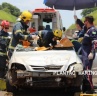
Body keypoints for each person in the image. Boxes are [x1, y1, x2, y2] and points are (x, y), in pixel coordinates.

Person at [82, 16, 97, 93]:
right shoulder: (87, 30)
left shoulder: (92, 30)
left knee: (88, 71)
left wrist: (92, 52)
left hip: (88, 53)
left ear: (87, 21)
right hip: (85, 53)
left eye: (85, 21)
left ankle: (90, 88)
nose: (84, 23)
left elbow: (95, 42)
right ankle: (87, 87)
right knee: (86, 70)